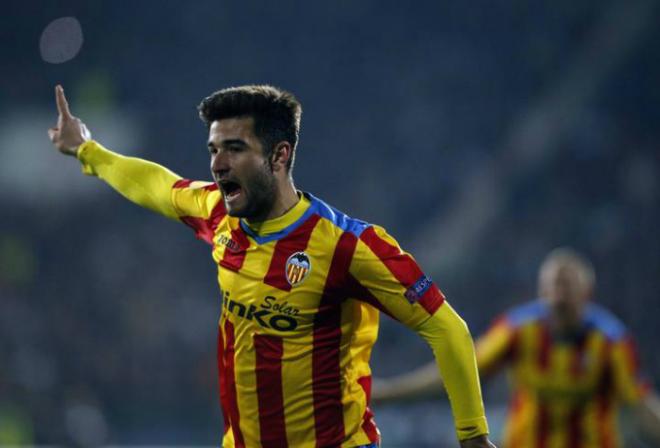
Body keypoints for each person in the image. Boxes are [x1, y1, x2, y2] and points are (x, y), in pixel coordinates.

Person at [48, 84, 496, 448]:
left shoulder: (347, 245)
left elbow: (446, 328)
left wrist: (473, 436)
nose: (218, 164)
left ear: (279, 156)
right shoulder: (218, 213)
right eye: (214, 149)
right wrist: (88, 151)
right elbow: (158, 186)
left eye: (235, 149)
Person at [372, 248, 660, 447]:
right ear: (541, 292)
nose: (560, 296)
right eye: (553, 288)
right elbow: (458, 370)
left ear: (587, 294)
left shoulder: (611, 342)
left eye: (568, 287)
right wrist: (390, 393)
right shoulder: (519, 330)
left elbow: (641, 403)